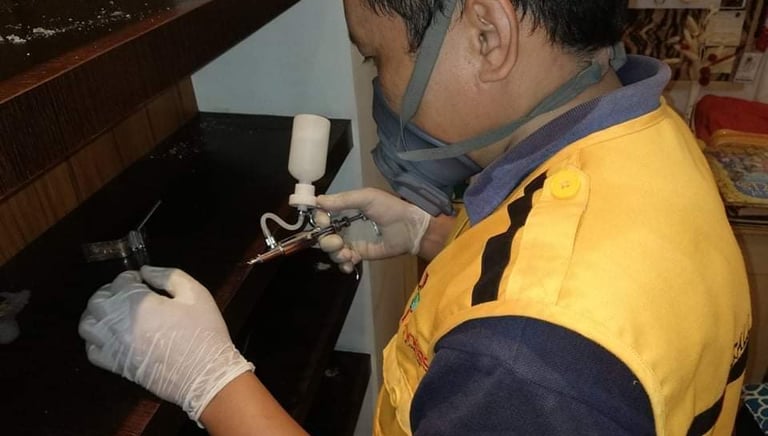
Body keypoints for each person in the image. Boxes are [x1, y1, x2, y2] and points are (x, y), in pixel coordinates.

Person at [78, 0, 753, 434]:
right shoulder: (649, 134)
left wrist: (210, 382)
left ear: (488, 36)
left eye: (377, 58)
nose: (383, 89)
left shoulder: (523, 363)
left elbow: (546, 326)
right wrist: (434, 234)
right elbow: (608, 265)